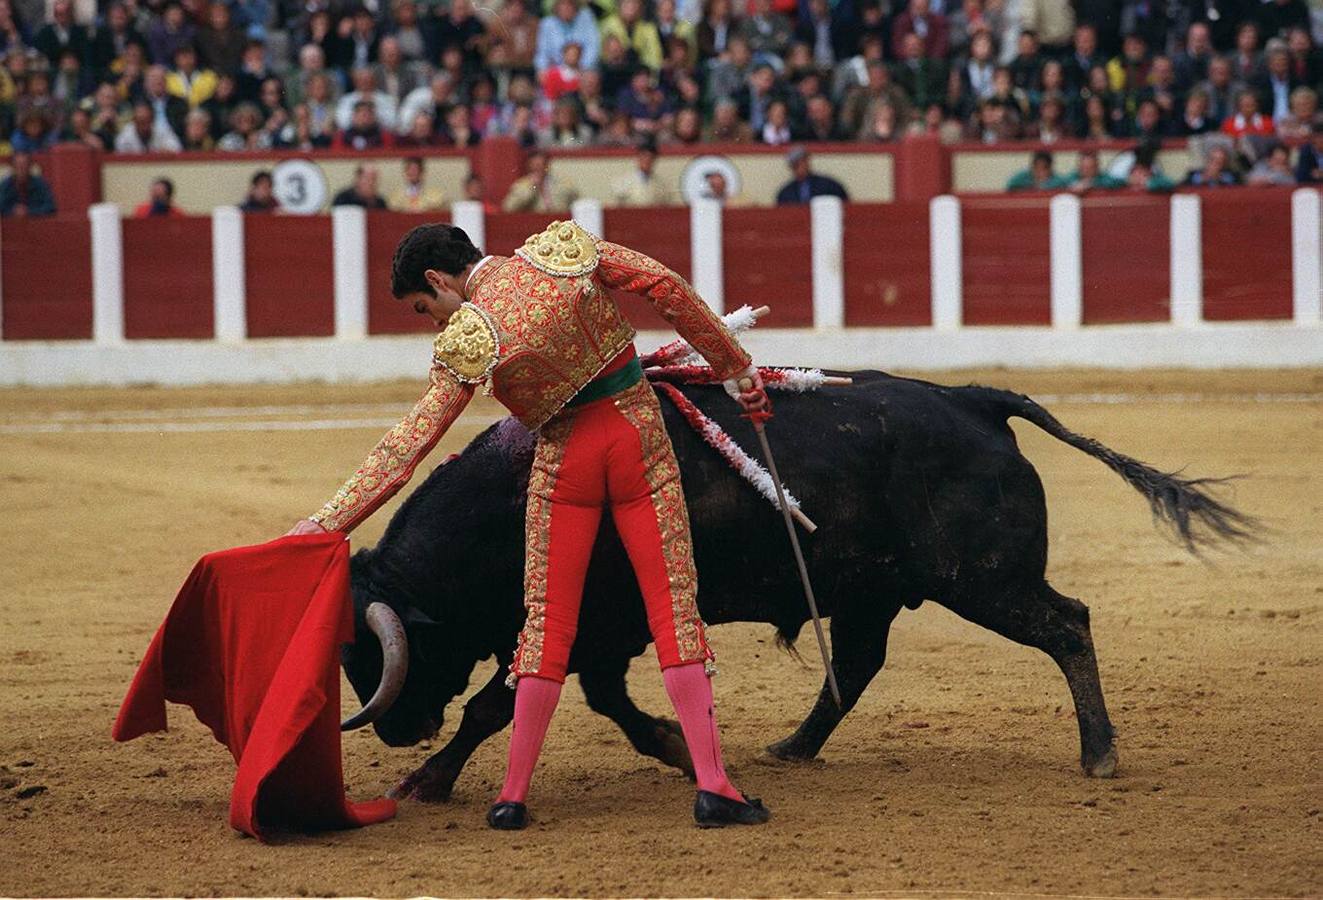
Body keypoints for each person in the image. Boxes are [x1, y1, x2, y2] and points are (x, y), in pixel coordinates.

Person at [286, 220, 773, 831]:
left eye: (424, 306)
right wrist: (735, 366)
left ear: (438, 279)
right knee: (672, 610)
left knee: (545, 627)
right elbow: (665, 285)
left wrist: (327, 521)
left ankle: (511, 797)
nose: (435, 320)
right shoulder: (561, 252)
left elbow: (410, 443)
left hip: (563, 462)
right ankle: (715, 789)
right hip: (635, 440)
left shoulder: (470, 335)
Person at [502, 150, 577, 212]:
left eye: (541, 165)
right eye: (535, 166)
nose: (538, 169)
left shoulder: (562, 182)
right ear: (529, 166)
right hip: (534, 223)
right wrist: (531, 187)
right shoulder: (521, 185)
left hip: (559, 223)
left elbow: (576, 200)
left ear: (547, 166)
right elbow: (508, 208)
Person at [775, 146, 848, 204]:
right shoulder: (785, 193)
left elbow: (844, 204)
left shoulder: (829, 185)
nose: (800, 167)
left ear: (808, 162)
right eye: (796, 165)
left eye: (802, 162)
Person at [611, 139, 671, 206]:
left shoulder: (661, 184)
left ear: (654, 160)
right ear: (638, 158)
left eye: (650, 158)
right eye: (644, 156)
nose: (647, 160)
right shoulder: (624, 181)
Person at [0, 152, 56, 217]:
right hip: (11, 226)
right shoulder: (5, 185)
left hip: (36, 225)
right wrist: (13, 211)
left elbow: (51, 207)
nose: (21, 168)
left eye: (24, 165)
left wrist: (29, 211)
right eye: (18, 165)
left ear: (29, 166)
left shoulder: (40, 184)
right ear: (13, 167)